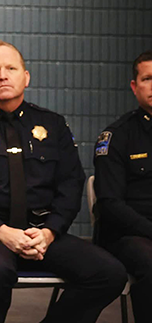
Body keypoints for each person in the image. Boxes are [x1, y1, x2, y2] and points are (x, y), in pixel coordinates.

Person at [0, 40, 126, 323]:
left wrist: (50, 232)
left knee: (109, 273)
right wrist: (1, 231)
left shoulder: (52, 124)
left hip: (41, 233)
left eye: (11, 68)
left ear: (26, 77)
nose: (3, 75)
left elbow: (71, 184)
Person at [94, 49, 152, 321]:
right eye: (148, 79)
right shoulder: (117, 136)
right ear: (134, 86)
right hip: (129, 235)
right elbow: (110, 204)